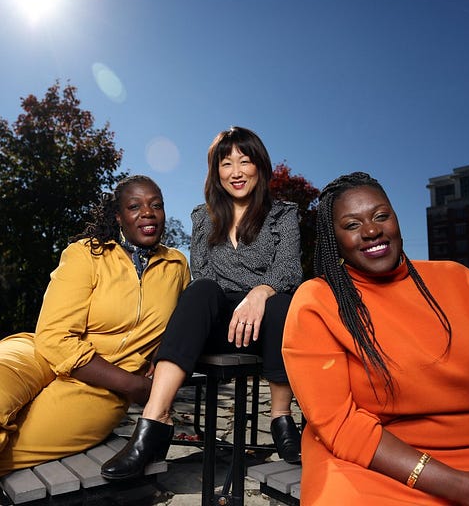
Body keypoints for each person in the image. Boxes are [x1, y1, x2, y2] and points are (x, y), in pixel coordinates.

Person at [281, 171, 469, 505]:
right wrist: (463, 487)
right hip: (371, 462)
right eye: (352, 225)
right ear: (334, 238)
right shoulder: (317, 301)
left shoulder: (462, 281)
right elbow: (340, 424)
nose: (371, 231)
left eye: (381, 216)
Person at [101, 126, 303, 480]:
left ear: (260, 166)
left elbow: (288, 269)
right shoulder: (203, 216)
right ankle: (155, 419)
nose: (236, 172)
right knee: (201, 289)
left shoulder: (283, 214)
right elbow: (204, 271)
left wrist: (260, 293)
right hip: (221, 324)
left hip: (267, 325)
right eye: (226, 164)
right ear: (216, 172)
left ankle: (281, 417)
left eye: (244, 161)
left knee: (282, 303)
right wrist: (237, 301)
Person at [0, 175, 190, 476]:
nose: (148, 213)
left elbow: (184, 323)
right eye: (135, 206)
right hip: (37, 355)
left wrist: (161, 354)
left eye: (156, 205)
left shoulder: (177, 265)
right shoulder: (85, 253)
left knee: (10, 452)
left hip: (102, 386)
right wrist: (135, 386)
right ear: (118, 216)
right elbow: (54, 335)